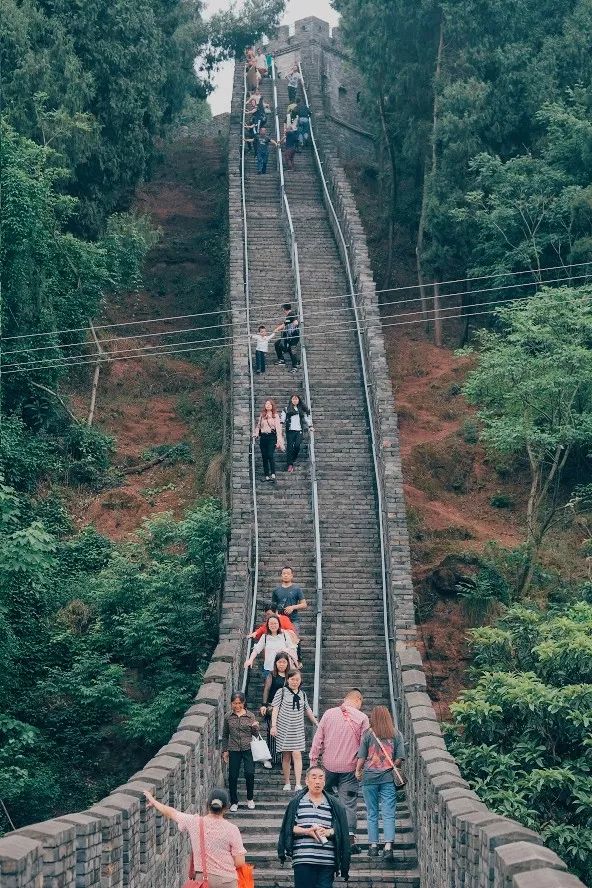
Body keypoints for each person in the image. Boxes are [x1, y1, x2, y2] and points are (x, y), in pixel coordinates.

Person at [143, 787, 246, 888]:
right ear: (227, 807)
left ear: (207, 804)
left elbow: (172, 812)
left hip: (203, 880)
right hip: (227, 881)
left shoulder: (194, 822)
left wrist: (154, 801)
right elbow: (240, 862)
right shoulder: (232, 829)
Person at [309, 689, 370, 855]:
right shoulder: (363, 718)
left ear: (345, 699)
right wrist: (361, 767)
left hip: (328, 767)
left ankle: (323, 831)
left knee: (323, 797)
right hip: (350, 769)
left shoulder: (329, 714)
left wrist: (313, 761)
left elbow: (318, 738)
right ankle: (349, 840)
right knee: (349, 803)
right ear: (357, 700)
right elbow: (365, 746)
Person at [277, 765, 351, 888]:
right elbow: (289, 828)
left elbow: (341, 830)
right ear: (306, 781)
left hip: (327, 861)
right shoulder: (297, 802)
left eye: (321, 777)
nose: (317, 781)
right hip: (303, 859)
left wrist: (328, 832)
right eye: (314, 777)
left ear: (324, 781)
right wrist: (307, 831)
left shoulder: (334, 804)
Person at [355, 705, 405, 861]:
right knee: (389, 813)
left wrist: (357, 771)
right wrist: (389, 767)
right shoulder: (396, 734)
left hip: (369, 778)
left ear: (374, 717)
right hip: (388, 779)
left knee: (372, 813)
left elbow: (361, 758)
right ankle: (388, 846)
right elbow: (399, 759)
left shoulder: (367, 734)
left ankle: (373, 846)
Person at [271, 669, 318, 791]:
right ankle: (287, 782)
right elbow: (275, 708)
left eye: (297, 679)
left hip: (297, 728)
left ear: (300, 680)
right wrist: (273, 725)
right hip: (284, 727)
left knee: (297, 754)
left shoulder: (303, 694)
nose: (295, 682)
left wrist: (317, 723)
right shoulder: (281, 692)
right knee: (286, 756)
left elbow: (308, 710)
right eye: (292, 679)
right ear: (288, 680)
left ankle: (298, 783)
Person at [221, 691, 260, 812]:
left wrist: (255, 728)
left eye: (239, 703)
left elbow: (256, 734)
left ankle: (250, 798)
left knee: (249, 773)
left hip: (248, 748)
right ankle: (234, 801)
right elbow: (225, 734)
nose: (237, 706)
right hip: (233, 748)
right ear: (231, 703)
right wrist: (225, 750)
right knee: (233, 776)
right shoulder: (228, 716)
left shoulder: (250, 716)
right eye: (234, 703)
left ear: (243, 703)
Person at [260, 650, 291, 768]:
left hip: (286, 710)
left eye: (284, 662)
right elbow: (266, 690)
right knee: (271, 734)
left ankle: (285, 759)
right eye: (279, 662)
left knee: (285, 734)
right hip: (272, 708)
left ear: (287, 663)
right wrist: (264, 704)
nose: (282, 664)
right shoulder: (271, 675)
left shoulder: (290, 676)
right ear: (276, 663)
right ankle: (271, 758)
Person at [253, 399, 284, 482]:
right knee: (264, 457)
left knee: (270, 455)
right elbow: (258, 426)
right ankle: (266, 475)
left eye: (269, 404)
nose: (268, 405)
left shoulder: (275, 416)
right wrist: (256, 434)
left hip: (272, 437)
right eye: (266, 404)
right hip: (263, 437)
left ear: (272, 406)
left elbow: (278, 428)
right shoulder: (262, 415)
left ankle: (273, 473)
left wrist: (279, 441)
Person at [281, 394, 313, 473]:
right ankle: (290, 464)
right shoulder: (286, 409)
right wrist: (280, 428)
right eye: (293, 399)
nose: (295, 400)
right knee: (289, 447)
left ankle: (292, 458)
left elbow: (306, 418)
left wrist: (310, 426)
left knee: (297, 446)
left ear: (298, 400)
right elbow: (282, 419)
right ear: (291, 400)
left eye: (296, 399)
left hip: (299, 430)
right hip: (290, 431)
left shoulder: (301, 409)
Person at [271, 565, 307, 632]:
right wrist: (276, 615)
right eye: (284, 573)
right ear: (281, 575)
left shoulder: (297, 589)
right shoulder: (276, 590)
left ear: (291, 576)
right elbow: (273, 606)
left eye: (288, 574)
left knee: (294, 641)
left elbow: (304, 604)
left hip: (293, 620)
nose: (286, 575)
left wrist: (292, 607)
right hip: (280, 621)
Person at [274, 303, 300, 370]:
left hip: (293, 336)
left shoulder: (290, 314)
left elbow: (285, 324)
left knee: (289, 349)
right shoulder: (290, 315)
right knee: (278, 344)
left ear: (284, 309)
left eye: (282, 309)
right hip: (289, 336)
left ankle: (295, 366)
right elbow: (286, 324)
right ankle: (284, 361)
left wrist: (276, 329)